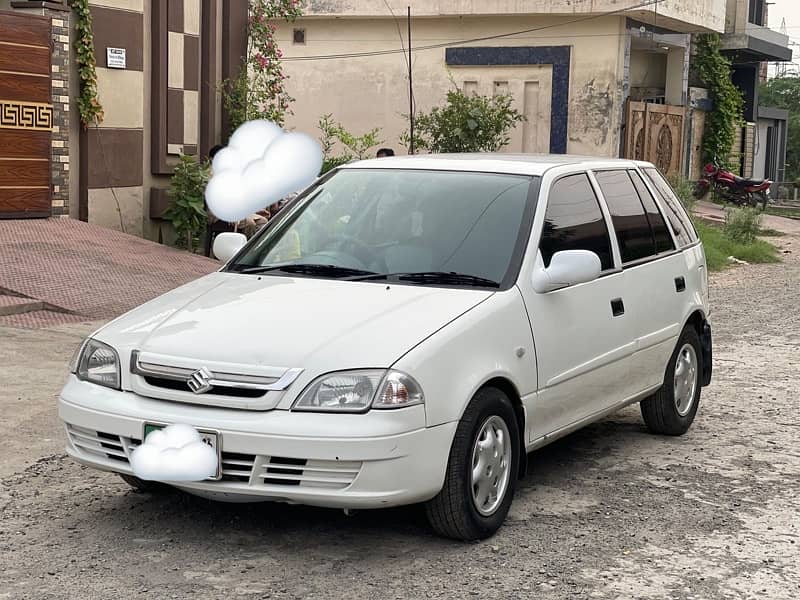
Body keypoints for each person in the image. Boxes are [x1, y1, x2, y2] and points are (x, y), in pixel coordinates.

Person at [206, 144, 268, 238]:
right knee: (250, 223)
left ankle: (258, 249)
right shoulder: (210, 175)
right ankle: (244, 250)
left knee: (262, 221)